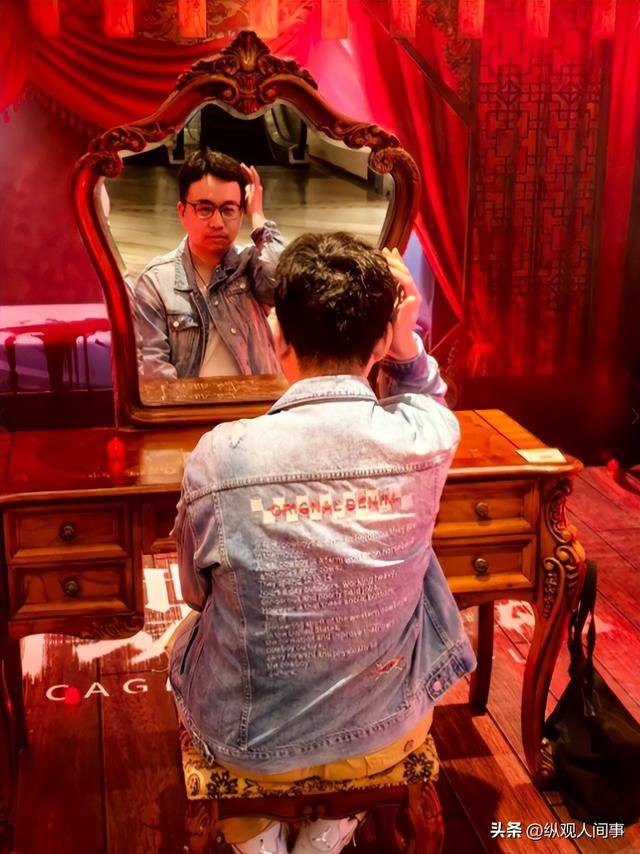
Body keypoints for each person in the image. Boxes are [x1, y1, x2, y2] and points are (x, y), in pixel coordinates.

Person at [169, 233, 476, 853]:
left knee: (184, 640)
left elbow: (195, 594)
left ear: (278, 332)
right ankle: (331, 828)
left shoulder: (220, 455)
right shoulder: (426, 439)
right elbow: (428, 400)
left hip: (250, 745)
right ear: (381, 340)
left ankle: (256, 833)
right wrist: (405, 338)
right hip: (383, 730)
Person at [135, 149, 284, 379]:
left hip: (258, 401)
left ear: (241, 212)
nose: (217, 222)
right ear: (182, 211)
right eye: (205, 209)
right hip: (190, 403)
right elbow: (155, 375)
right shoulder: (156, 283)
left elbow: (285, 286)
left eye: (228, 209)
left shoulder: (250, 264)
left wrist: (258, 215)